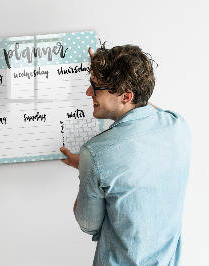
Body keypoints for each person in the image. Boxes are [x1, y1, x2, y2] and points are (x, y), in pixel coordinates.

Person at [60, 44, 190, 265]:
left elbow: (88, 225)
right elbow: (143, 106)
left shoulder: (95, 153)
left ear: (126, 96)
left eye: (96, 86)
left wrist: (88, 168)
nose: (89, 92)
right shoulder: (178, 125)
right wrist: (108, 72)